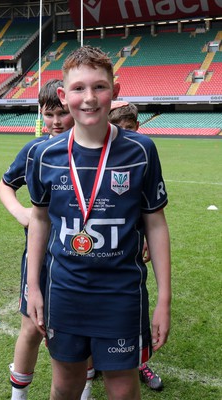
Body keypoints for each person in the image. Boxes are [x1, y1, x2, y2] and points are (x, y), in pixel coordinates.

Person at [27, 45, 171, 400]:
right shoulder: (44, 155)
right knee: (65, 384)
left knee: (122, 389)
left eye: (99, 87)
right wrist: (34, 286)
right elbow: (40, 221)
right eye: (78, 89)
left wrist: (164, 297)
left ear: (116, 91)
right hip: (66, 290)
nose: (89, 98)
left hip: (121, 292)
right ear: (63, 95)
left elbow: (155, 223)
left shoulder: (141, 151)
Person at [0, 78, 75, 400]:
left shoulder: (93, 151)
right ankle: (19, 396)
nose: (55, 122)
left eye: (62, 113)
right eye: (48, 114)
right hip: (40, 255)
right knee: (31, 326)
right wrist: (22, 214)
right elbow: (4, 186)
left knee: (75, 329)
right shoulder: (34, 151)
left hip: (78, 256)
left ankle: (83, 390)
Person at [108, 101, 163, 391]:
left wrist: (148, 242)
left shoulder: (141, 153)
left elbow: (151, 211)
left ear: (137, 128)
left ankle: (141, 362)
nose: (123, 134)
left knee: (133, 308)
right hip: (103, 252)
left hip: (132, 249)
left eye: (128, 128)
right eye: (118, 128)